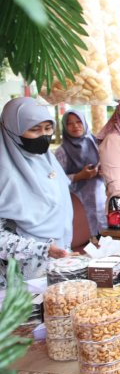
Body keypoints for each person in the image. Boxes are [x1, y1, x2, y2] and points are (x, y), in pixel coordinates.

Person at [0, 97, 73, 285]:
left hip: (59, 265)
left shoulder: (48, 162)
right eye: (34, 129)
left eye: (48, 129)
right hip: (18, 279)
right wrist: (42, 249)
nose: (43, 135)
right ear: (11, 129)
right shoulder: (4, 173)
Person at [55, 110, 107, 237]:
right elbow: (57, 180)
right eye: (70, 123)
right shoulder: (61, 151)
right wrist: (79, 176)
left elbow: (109, 164)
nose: (75, 126)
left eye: (78, 122)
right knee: (85, 235)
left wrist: (103, 170)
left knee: (105, 234)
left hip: (101, 196)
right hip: (77, 201)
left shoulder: (96, 143)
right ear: (65, 127)